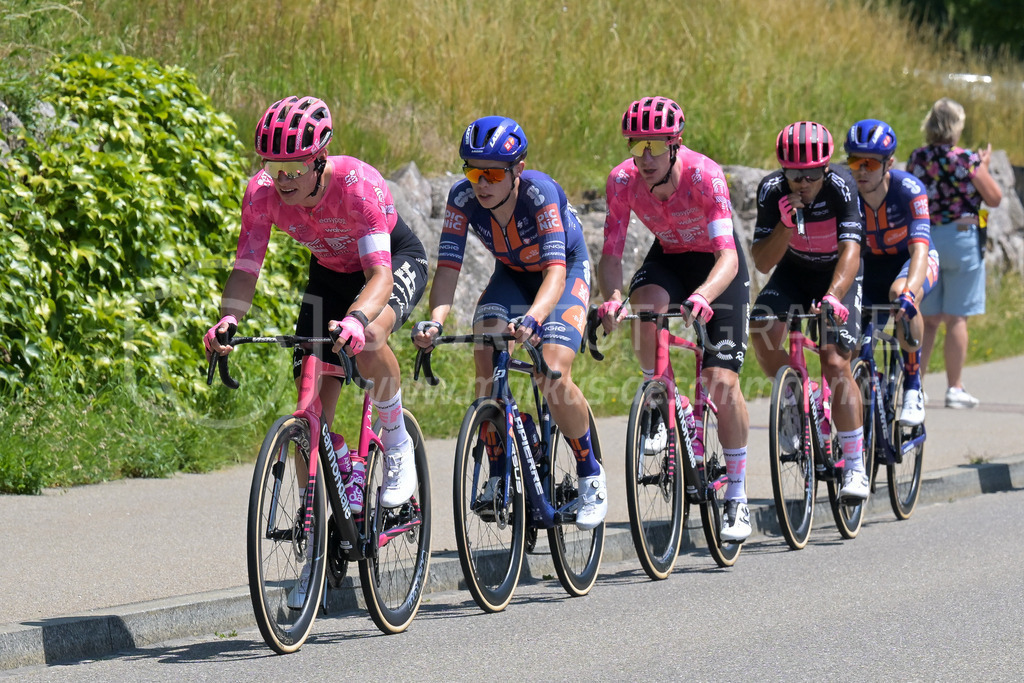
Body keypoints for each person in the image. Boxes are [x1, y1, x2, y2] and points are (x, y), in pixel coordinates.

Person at [203, 96, 428, 607]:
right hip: (328, 274)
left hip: (387, 264)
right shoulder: (261, 194)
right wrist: (229, 318)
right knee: (312, 419)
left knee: (368, 339)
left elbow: (379, 276)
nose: (280, 179)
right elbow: (246, 267)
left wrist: (356, 318)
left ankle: (395, 445)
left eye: (292, 168)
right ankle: (334, 497)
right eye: (272, 166)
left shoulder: (357, 185)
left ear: (319, 158)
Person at [411, 116, 606, 531]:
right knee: (486, 352)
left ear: (517, 169)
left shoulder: (539, 193)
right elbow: (448, 269)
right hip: (514, 274)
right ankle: (500, 469)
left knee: (550, 371)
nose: (481, 183)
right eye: (473, 170)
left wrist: (535, 319)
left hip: (563, 272)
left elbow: (555, 271)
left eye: (492, 173)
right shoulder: (461, 199)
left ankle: (591, 473)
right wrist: (435, 321)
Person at [595, 96, 752, 542]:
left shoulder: (705, 177)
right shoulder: (622, 181)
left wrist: (704, 294)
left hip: (717, 270)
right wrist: (610, 297)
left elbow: (727, 256)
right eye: (635, 144)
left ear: (675, 143)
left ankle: (737, 495)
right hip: (670, 257)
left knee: (722, 381)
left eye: (653, 146)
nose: (643, 157)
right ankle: (660, 402)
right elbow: (612, 252)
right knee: (644, 307)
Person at [748, 121, 869, 500]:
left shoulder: (842, 186)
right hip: (794, 270)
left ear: (826, 169)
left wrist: (834, 295)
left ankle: (854, 465)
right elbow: (763, 262)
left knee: (834, 362)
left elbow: (851, 249)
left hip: (837, 274)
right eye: (794, 173)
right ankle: (791, 401)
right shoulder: (771, 190)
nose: (802, 181)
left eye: (811, 174)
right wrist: (784, 226)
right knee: (761, 326)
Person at [905, 98, 1003, 409]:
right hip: (961, 237)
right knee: (957, 317)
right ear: (956, 127)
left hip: (926, 240)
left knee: (929, 317)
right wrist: (984, 166)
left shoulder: (918, 158)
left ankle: (915, 386)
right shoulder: (967, 160)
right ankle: (955, 387)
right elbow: (995, 198)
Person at [843, 119, 940, 426]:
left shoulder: (909, 189)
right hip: (871, 265)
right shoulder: (846, 192)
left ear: (889, 163)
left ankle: (913, 386)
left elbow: (920, 250)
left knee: (901, 295)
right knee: (853, 340)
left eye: (869, 163)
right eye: (854, 161)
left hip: (910, 261)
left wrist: (911, 290)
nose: (860, 170)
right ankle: (869, 383)